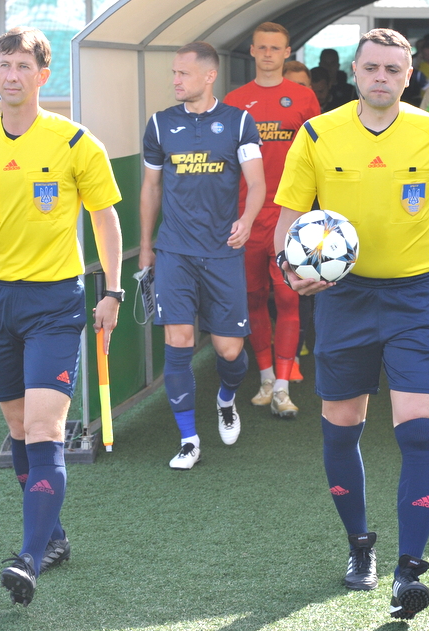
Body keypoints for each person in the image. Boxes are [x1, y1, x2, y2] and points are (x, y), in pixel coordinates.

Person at [273, 28, 429, 621]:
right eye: (372, 68)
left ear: (409, 76)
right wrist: (291, 269)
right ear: (355, 73)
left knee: (418, 434)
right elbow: (290, 221)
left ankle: (408, 570)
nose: (382, 77)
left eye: (393, 69)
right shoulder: (318, 134)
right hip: (343, 299)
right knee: (342, 429)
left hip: (416, 298)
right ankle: (360, 544)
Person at [0, 27, 123, 606]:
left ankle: (29, 558)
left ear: (43, 76)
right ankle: (53, 538)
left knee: (44, 429)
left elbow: (105, 218)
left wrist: (112, 290)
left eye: (23, 66)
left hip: (54, 302)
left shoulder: (75, 142)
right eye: (4, 65)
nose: (12, 75)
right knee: (17, 430)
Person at [138, 41, 266, 470]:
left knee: (230, 351)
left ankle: (226, 398)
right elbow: (151, 187)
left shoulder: (239, 122)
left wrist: (246, 219)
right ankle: (189, 439)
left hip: (222, 251)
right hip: (174, 250)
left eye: (183, 74)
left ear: (209, 76)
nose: (175, 81)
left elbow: (257, 183)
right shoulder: (160, 125)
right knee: (179, 341)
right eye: (173, 73)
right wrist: (146, 247)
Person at [225, 22, 320, 419]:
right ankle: (265, 378)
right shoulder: (234, 101)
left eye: (275, 48)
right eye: (261, 47)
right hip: (247, 216)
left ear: (287, 52)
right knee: (252, 298)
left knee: (287, 297)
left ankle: (283, 386)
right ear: (252, 51)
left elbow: (318, 157)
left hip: (289, 216)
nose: (267, 53)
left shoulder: (303, 98)